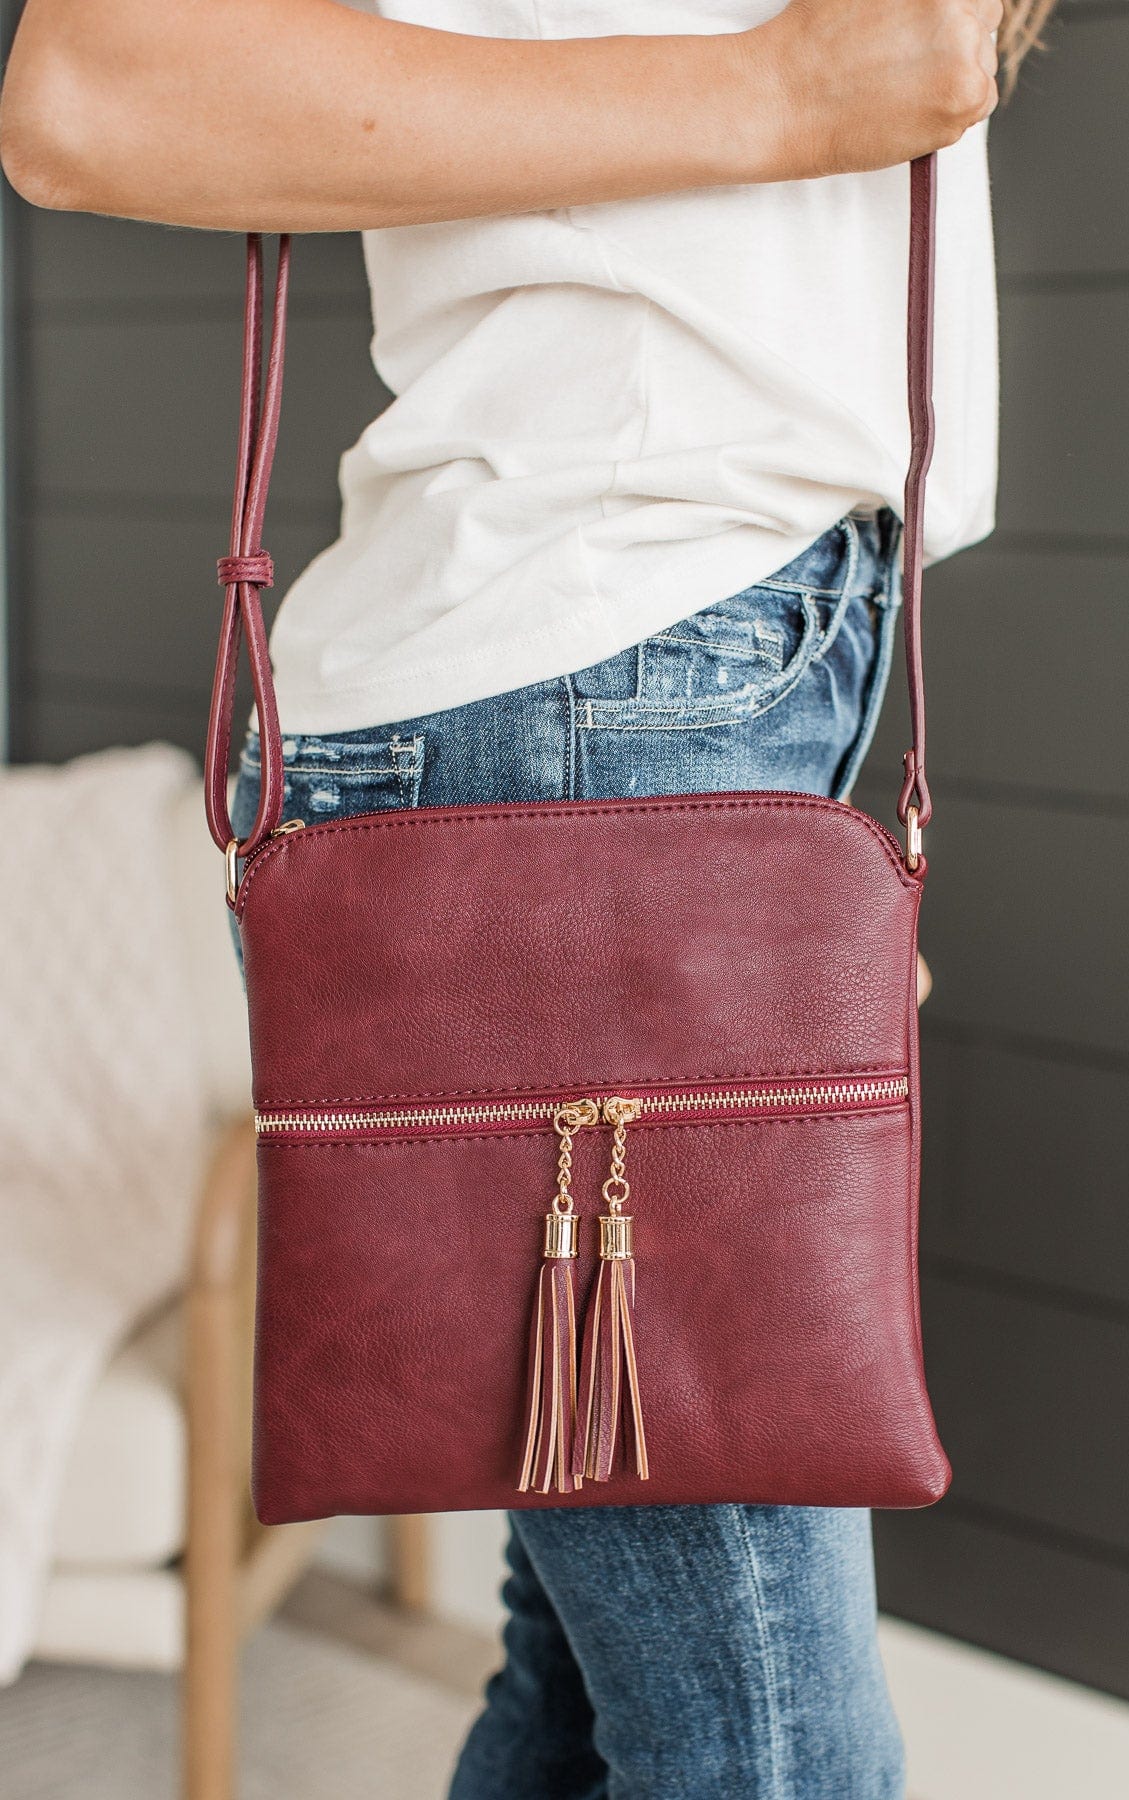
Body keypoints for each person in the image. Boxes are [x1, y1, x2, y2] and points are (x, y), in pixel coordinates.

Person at [1, 2, 1052, 1792]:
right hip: (586, 692)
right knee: (776, 1753)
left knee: (582, 1707)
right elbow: (89, 86)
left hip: (702, 674)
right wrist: (793, 86)